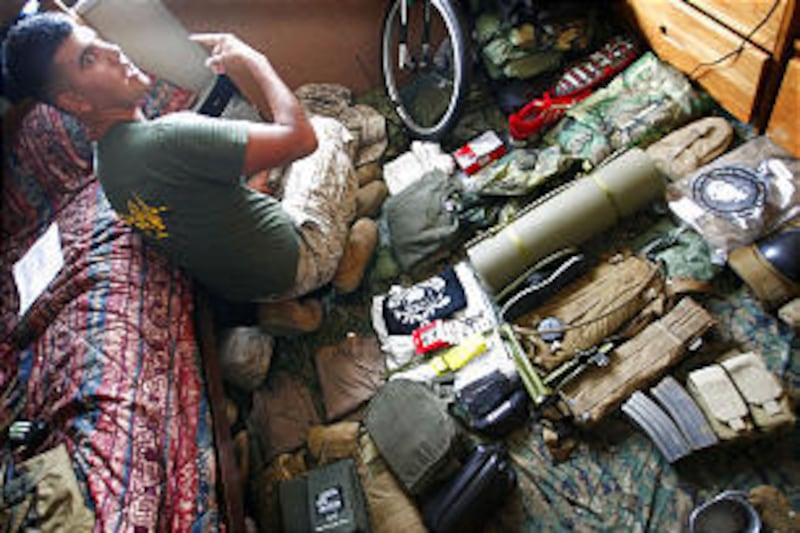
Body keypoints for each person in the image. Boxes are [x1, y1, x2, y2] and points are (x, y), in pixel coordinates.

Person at [2, 12, 381, 334]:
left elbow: (202, 201)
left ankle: (279, 303)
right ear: (74, 100)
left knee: (266, 157)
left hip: (242, 286)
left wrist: (259, 182)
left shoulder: (106, 167)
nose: (113, 51)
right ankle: (340, 262)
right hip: (294, 261)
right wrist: (255, 60)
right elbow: (302, 140)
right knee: (325, 128)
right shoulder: (170, 136)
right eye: (89, 59)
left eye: (99, 41)